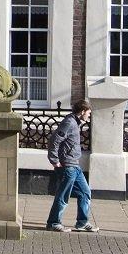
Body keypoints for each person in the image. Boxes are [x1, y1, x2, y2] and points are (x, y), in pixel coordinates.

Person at [45, 99, 96, 233]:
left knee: (85, 192)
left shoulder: (75, 123)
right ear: (83, 111)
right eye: (88, 113)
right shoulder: (69, 123)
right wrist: (54, 160)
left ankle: (82, 223)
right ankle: (53, 223)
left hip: (75, 165)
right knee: (63, 195)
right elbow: (54, 140)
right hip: (67, 166)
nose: (89, 116)